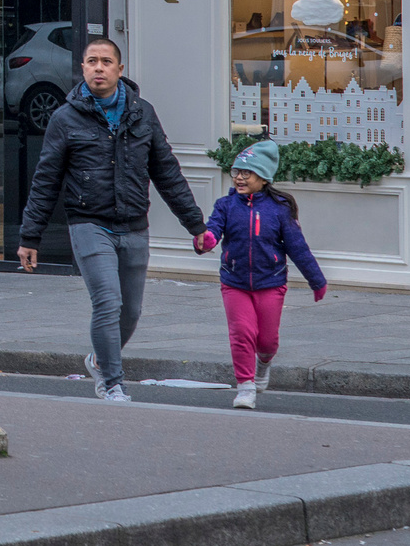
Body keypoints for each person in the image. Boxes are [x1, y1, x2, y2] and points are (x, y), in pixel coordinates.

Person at [17, 35, 210, 403]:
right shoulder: (65, 118)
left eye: (106, 62)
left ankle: (98, 359)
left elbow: (166, 172)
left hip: (135, 223)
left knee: (131, 310)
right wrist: (30, 236)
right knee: (107, 301)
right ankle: (111, 382)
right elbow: (46, 180)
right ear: (83, 69)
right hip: (89, 223)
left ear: (120, 70)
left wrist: (196, 226)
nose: (98, 68)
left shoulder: (143, 113)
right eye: (92, 61)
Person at [201, 139, 327, 408]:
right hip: (234, 282)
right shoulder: (225, 205)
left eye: (247, 173)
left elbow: (298, 247)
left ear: (264, 177)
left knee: (267, 341)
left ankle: (264, 363)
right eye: (236, 172)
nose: (239, 178)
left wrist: (316, 280)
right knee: (242, 333)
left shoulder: (279, 208)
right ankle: (245, 386)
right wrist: (207, 239)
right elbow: (213, 229)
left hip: (271, 283)